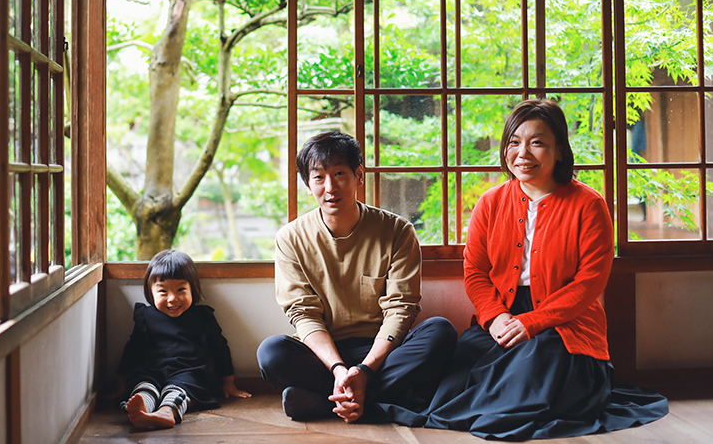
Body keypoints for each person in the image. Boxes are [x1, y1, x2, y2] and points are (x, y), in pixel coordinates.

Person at [382, 99, 668, 439]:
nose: (523, 153)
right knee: (461, 366)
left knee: (541, 356)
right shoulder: (490, 203)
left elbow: (589, 284)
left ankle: (492, 411)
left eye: (537, 143)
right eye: (514, 142)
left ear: (559, 151)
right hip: (502, 315)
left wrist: (532, 323)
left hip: (566, 323)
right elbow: (475, 271)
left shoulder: (590, 205)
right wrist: (495, 317)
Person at [257, 130, 457, 423]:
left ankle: (325, 403)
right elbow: (303, 314)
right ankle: (375, 400)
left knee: (441, 332)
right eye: (319, 178)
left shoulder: (397, 231)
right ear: (307, 185)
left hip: (382, 350)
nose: (330, 187)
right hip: (325, 355)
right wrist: (339, 369)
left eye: (339, 174)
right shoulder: (291, 238)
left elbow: (401, 309)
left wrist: (365, 369)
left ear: (358, 175)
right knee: (272, 353)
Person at [117, 249, 251, 429]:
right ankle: (143, 408)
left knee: (181, 389)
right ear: (151, 292)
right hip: (152, 369)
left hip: (190, 371)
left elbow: (220, 349)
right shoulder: (146, 317)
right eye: (163, 291)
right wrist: (121, 384)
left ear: (192, 289)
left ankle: (167, 412)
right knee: (143, 384)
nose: (173, 299)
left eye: (181, 290)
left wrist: (228, 383)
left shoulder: (202, 317)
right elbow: (132, 351)